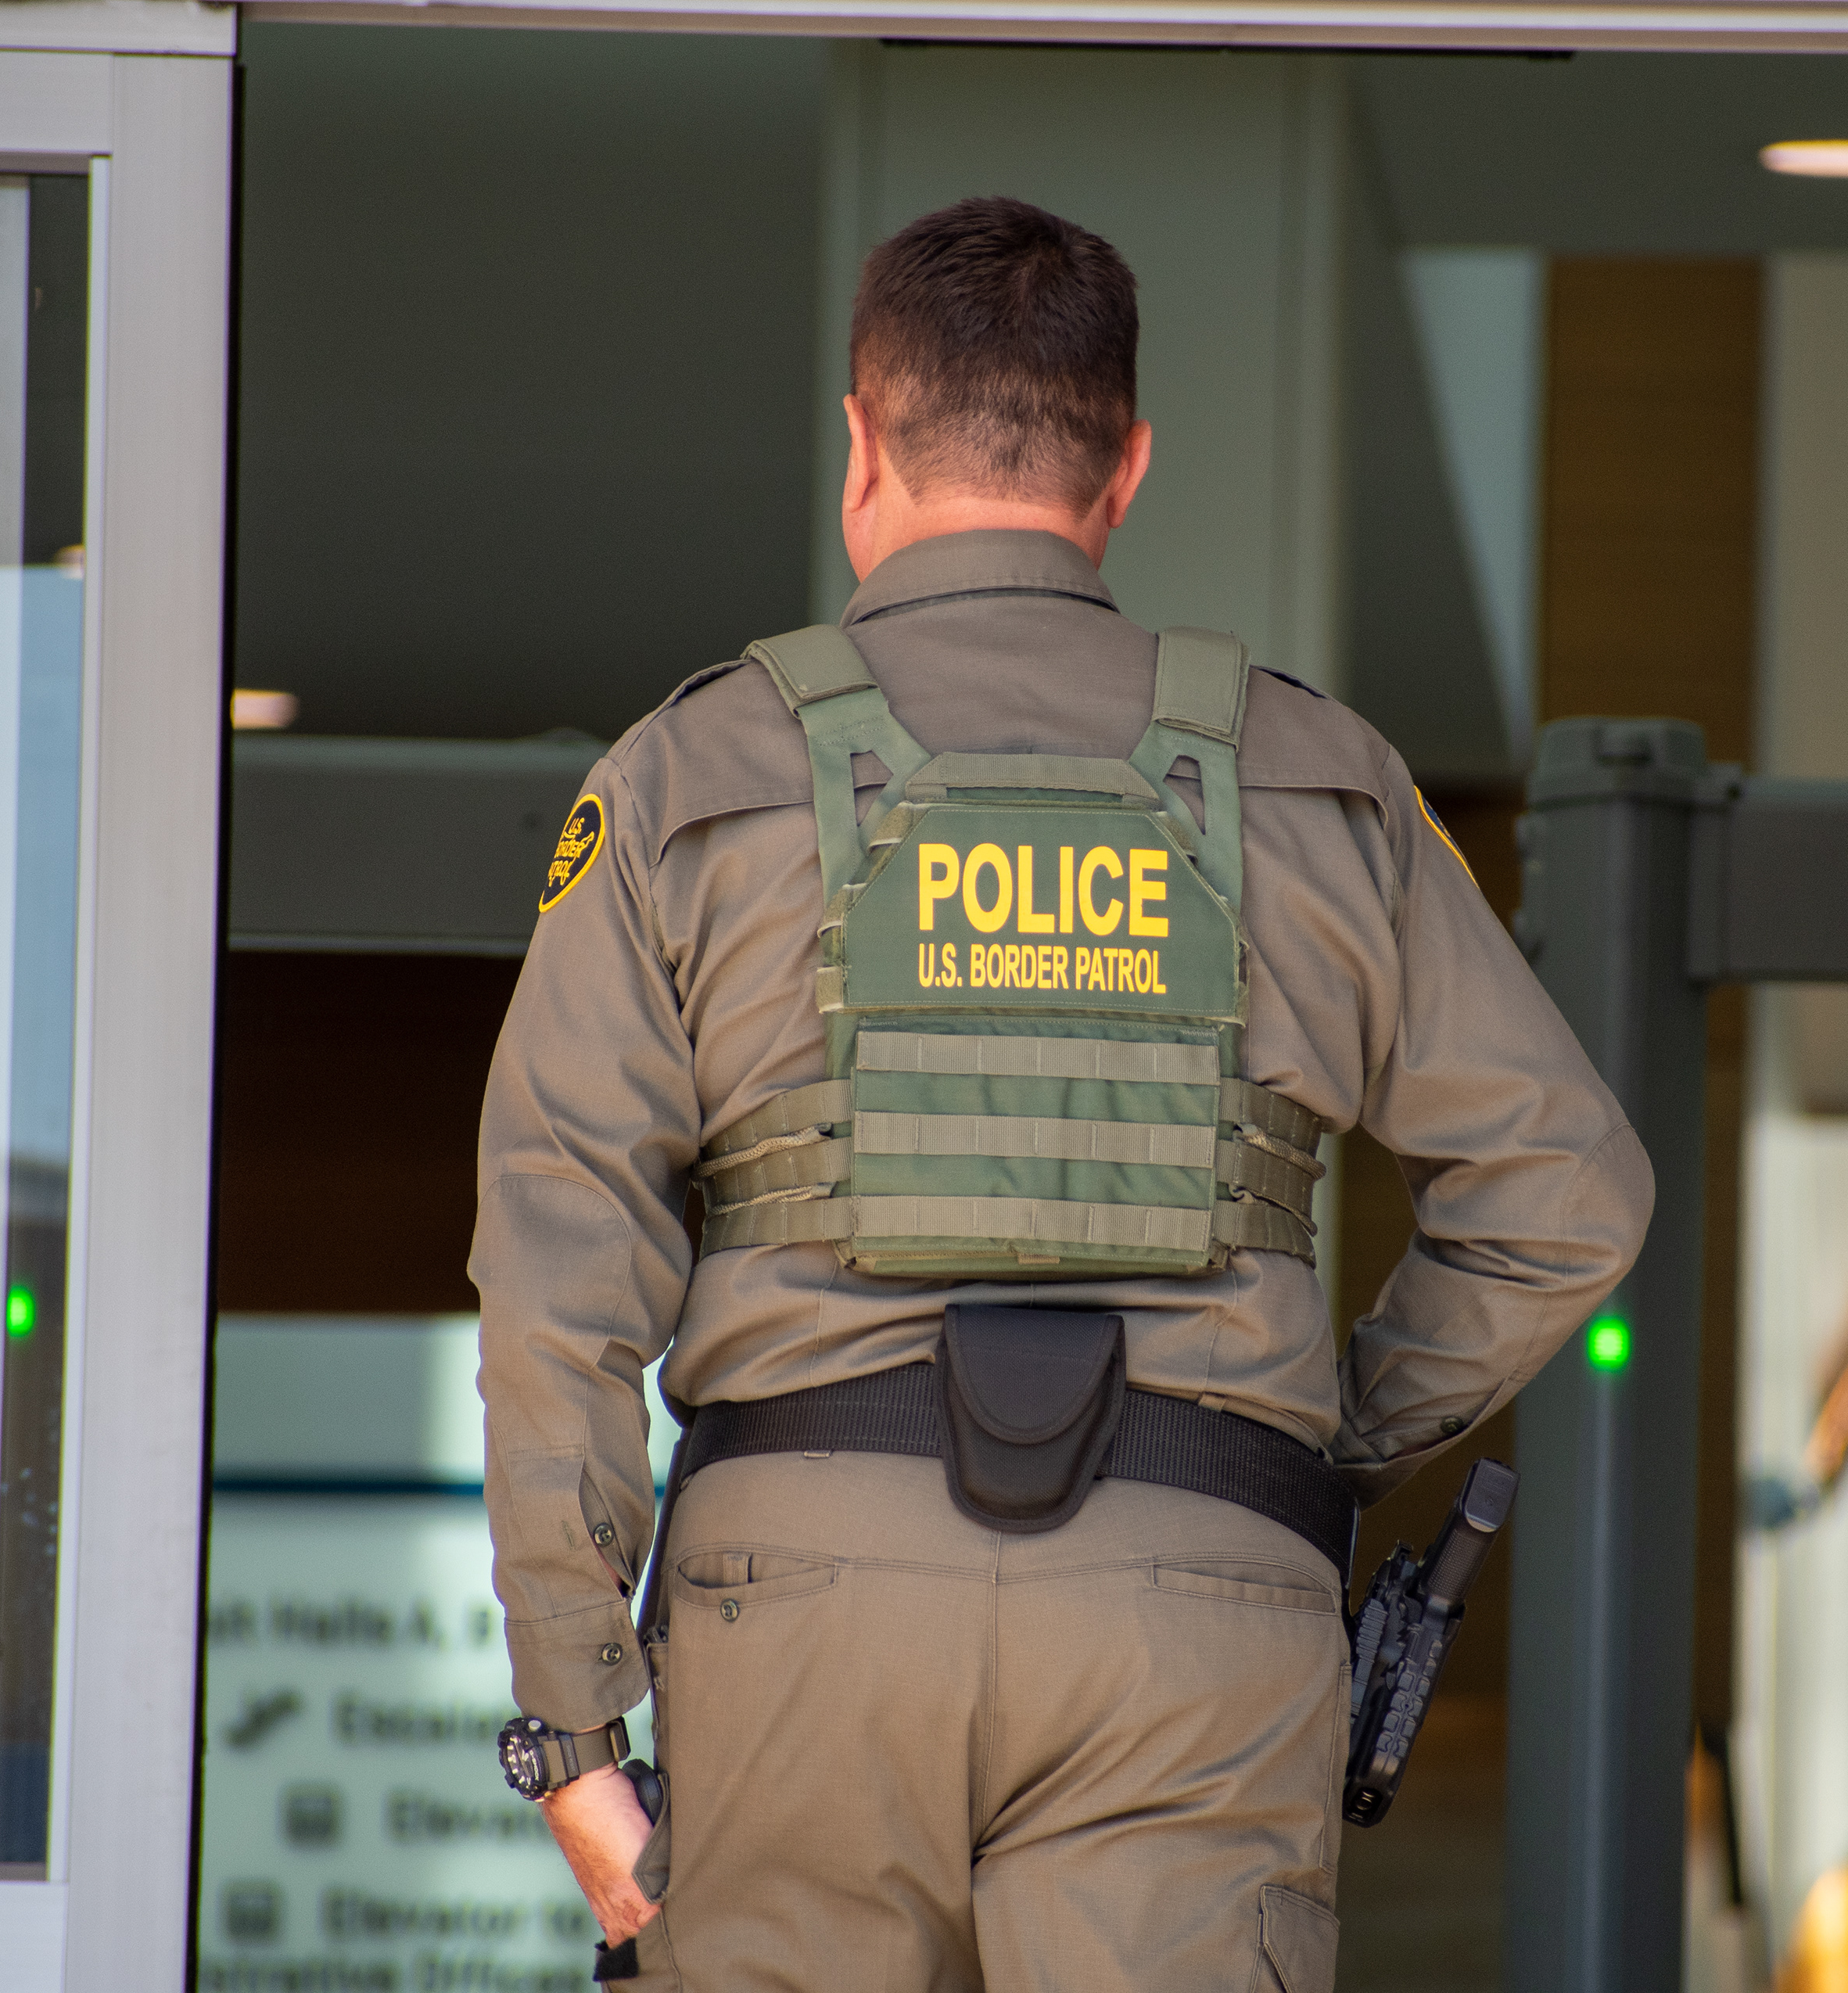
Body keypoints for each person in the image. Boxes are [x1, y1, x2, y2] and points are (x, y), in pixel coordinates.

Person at [471, 194, 1650, 1993]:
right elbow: (1567, 1189)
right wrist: (1330, 1431)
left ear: (861, 442)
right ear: (1129, 466)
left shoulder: (686, 776)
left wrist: (571, 1719)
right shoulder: (1319, 779)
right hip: (1195, 1609)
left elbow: (558, 1266)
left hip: (795, 1616)